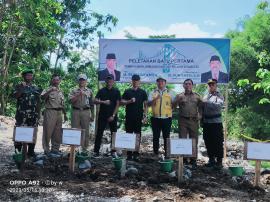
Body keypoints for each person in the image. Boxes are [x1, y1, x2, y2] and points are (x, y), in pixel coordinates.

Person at [174, 79, 203, 168]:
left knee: (194, 140)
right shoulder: (179, 96)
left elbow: (201, 107)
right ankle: (184, 159)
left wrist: (200, 115)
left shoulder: (197, 96)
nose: (188, 86)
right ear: (183, 86)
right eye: (186, 84)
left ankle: (193, 159)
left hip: (194, 121)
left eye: (189, 84)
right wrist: (176, 102)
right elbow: (173, 106)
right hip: (183, 120)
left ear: (192, 85)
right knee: (183, 140)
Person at [13, 69, 42, 158]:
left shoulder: (36, 88)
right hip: (22, 114)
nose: (29, 77)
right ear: (24, 76)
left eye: (30, 75)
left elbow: (39, 101)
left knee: (33, 131)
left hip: (33, 115)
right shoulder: (19, 86)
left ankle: (31, 151)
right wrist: (22, 88)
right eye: (27, 75)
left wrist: (38, 114)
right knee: (20, 131)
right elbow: (15, 96)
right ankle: (18, 151)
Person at [121, 74, 148, 161]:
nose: (135, 81)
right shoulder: (127, 91)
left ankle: (136, 153)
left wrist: (145, 115)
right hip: (129, 116)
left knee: (137, 135)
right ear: (132, 81)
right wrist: (129, 101)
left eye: (137, 80)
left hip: (138, 117)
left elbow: (146, 105)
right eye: (134, 80)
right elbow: (121, 102)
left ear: (139, 81)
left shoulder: (143, 92)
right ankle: (129, 154)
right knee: (128, 134)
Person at [93, 74, 121, 156]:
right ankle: (96, 151)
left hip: (112, 116)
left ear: (113, 81)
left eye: (111, 80)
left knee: (114, 133)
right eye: (108, 80)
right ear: (106, 81)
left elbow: (118, 104)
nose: (109, 82)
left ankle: (113, 151)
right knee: (99, 133)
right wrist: (103, 102)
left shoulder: (117, 91)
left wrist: (113, 115)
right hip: (102, 115)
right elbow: (94, 101)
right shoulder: (101, 91)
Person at [148, 76, 174, 157]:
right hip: (155, 118)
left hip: (166, 118)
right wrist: (155, 99)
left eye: (162, 81)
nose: (161, 83)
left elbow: (175, 105)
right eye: (159, 81)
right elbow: (148, 104)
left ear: (165, 83)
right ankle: (155, 153)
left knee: (166, 136)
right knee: (156, 136)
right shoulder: (152, 92)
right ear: (157, 83)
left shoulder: (171, 92)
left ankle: (167, 153)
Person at [41, 74, 67, 155]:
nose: (56, 81)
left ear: (59, 81)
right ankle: (46, 149)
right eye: (54, 79)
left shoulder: (61, 91)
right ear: (52, 80)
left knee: (57, 132)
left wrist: (65, 114)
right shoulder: (47, 89)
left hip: (59, 113)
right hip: (50, 111)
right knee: (48, 131)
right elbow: (42, 98)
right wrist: (50, 91)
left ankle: (55, 149)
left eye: (57, 80)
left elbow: (62, 104)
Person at [202, 79, 224, 169]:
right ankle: (211, 160)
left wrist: (207, 102)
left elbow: (219, 105)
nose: (211, 86)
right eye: (209, 85)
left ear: (216, 85)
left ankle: (219, 162)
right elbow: (202, 108)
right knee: (208, 141)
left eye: (213, 85)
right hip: (206, 122)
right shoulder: (206, 95)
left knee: (218, 142)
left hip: (216, 122)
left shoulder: (219, 95)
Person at [69, 74, 94, 152]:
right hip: (75, 111)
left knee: (85, 130)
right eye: (80, 80)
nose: (82, 81)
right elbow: (70, 101)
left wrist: (93, 114)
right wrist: (78, 95)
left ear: (86, 81)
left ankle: (84, 149)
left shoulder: (89, 91)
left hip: (86, 112)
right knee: (74, 130)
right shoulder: (73, 90)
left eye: (83, 80)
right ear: (78, 81)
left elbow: (92, 104)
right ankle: (74, 149)